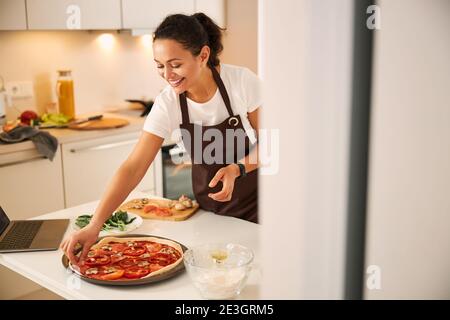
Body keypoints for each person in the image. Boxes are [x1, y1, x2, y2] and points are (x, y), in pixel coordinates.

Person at [61, 13, 261, 264]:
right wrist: (95, 224)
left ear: (203, 56)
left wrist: (237, 168)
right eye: (159, 65)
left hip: (262, 208)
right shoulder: (169, 102)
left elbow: (274, 145)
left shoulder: (242, 82)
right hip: (212, 214)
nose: (167, 74)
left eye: (175, 64)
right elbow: (133, 167)